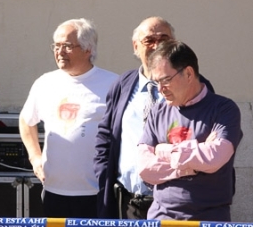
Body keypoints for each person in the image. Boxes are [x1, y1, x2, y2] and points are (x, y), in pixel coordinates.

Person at [94, 16, 215, 219]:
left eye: (164, 38)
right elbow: (106, 136)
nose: (157, 45)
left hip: (176, 203)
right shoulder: (123, 84)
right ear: (136, 46)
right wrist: (104, 177)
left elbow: (207, 141)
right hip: (129, 199)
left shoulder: (193, 84)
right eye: (149, 40)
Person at [19, 18, 118, 218]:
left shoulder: (113, 84)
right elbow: (26, 121)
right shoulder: (45, 82)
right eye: (56, 46)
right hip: (54, 191)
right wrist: (35, 157)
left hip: (96, 192)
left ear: (88, 49)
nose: (59, 51)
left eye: (67, 46)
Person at [137, 40, 242, 220]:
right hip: (162, 218)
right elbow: (145, 168)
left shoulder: (224, 109)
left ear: (188, 73)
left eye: (166, 80)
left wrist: (163, 150)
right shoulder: (157, 111)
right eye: (157, 83)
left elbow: (214, 157)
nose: (161, 90)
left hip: (208, 219)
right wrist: (190, 165)